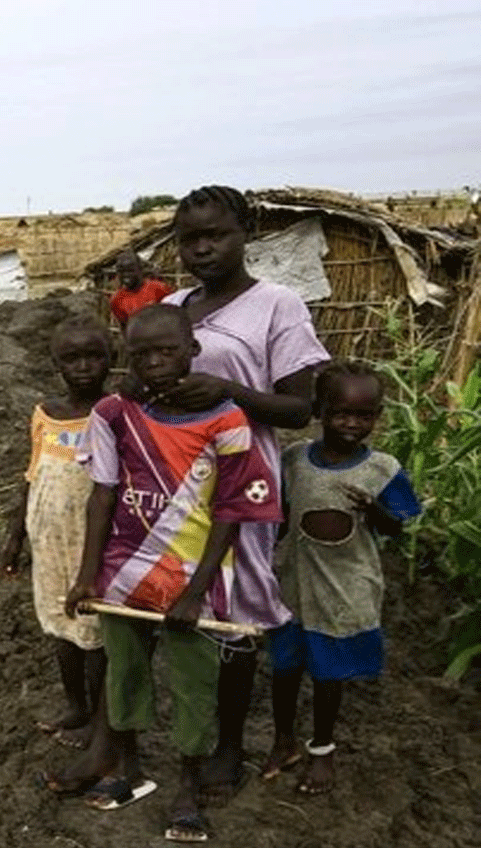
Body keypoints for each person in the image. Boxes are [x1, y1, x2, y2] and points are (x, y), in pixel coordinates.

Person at [64, 303, 282, 842]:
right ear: (127, 359)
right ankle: (130, 768)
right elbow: (103, 495)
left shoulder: (227, 420)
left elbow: (232, 511)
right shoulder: (114, 415)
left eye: (167, 352)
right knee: (125, 671)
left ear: (193, 352)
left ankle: (188, 783)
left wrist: (197, 590)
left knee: (193, 683)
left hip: (192, 578)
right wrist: (87, 576)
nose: (156, 363)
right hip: (124, 574)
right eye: (143, 355)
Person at [155, 185, 332, 803]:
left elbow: (299, 408)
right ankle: (194, 731)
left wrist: (226, 391)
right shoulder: (173, 305)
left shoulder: (277, 306)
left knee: (233, 610)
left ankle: (228, 745)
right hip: (174, 480)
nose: (201, 249)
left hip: (244, 480)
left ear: (245, 232)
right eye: (189, 239)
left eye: (215, 235)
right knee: (183, 596)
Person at [261, 360, 421, 794]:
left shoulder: (381, 469)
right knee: (286, 666)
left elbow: (398, 527)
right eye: (340, 413)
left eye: (364, 416)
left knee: (329, 672)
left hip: (347, 584)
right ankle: (283, 740)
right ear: (319, 411)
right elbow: (278, 518)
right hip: (294, 579)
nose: (352, 423)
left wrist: (374, 511)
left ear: (377, 416)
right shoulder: (293, 460)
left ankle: (322, 749)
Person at [2, 315, 111, 750]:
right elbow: (32, 476)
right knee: (58, 625)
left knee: (96, 632)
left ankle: (101, 716)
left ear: (111, 359)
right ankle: (75, 705)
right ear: (55, 364)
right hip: (47, 539)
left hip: (94, 543)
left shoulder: (115, 414)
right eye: (72, 359)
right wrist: (15, 537)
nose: (83, 367)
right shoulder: (45, 416)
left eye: (93, 356)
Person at [107, 251, 174, 326]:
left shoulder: (159, 288)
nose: (126, 275)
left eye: (130, 270)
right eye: (121, 271)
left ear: (140, 269)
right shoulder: (116, 300)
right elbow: (125, 328)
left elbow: (173, 315)